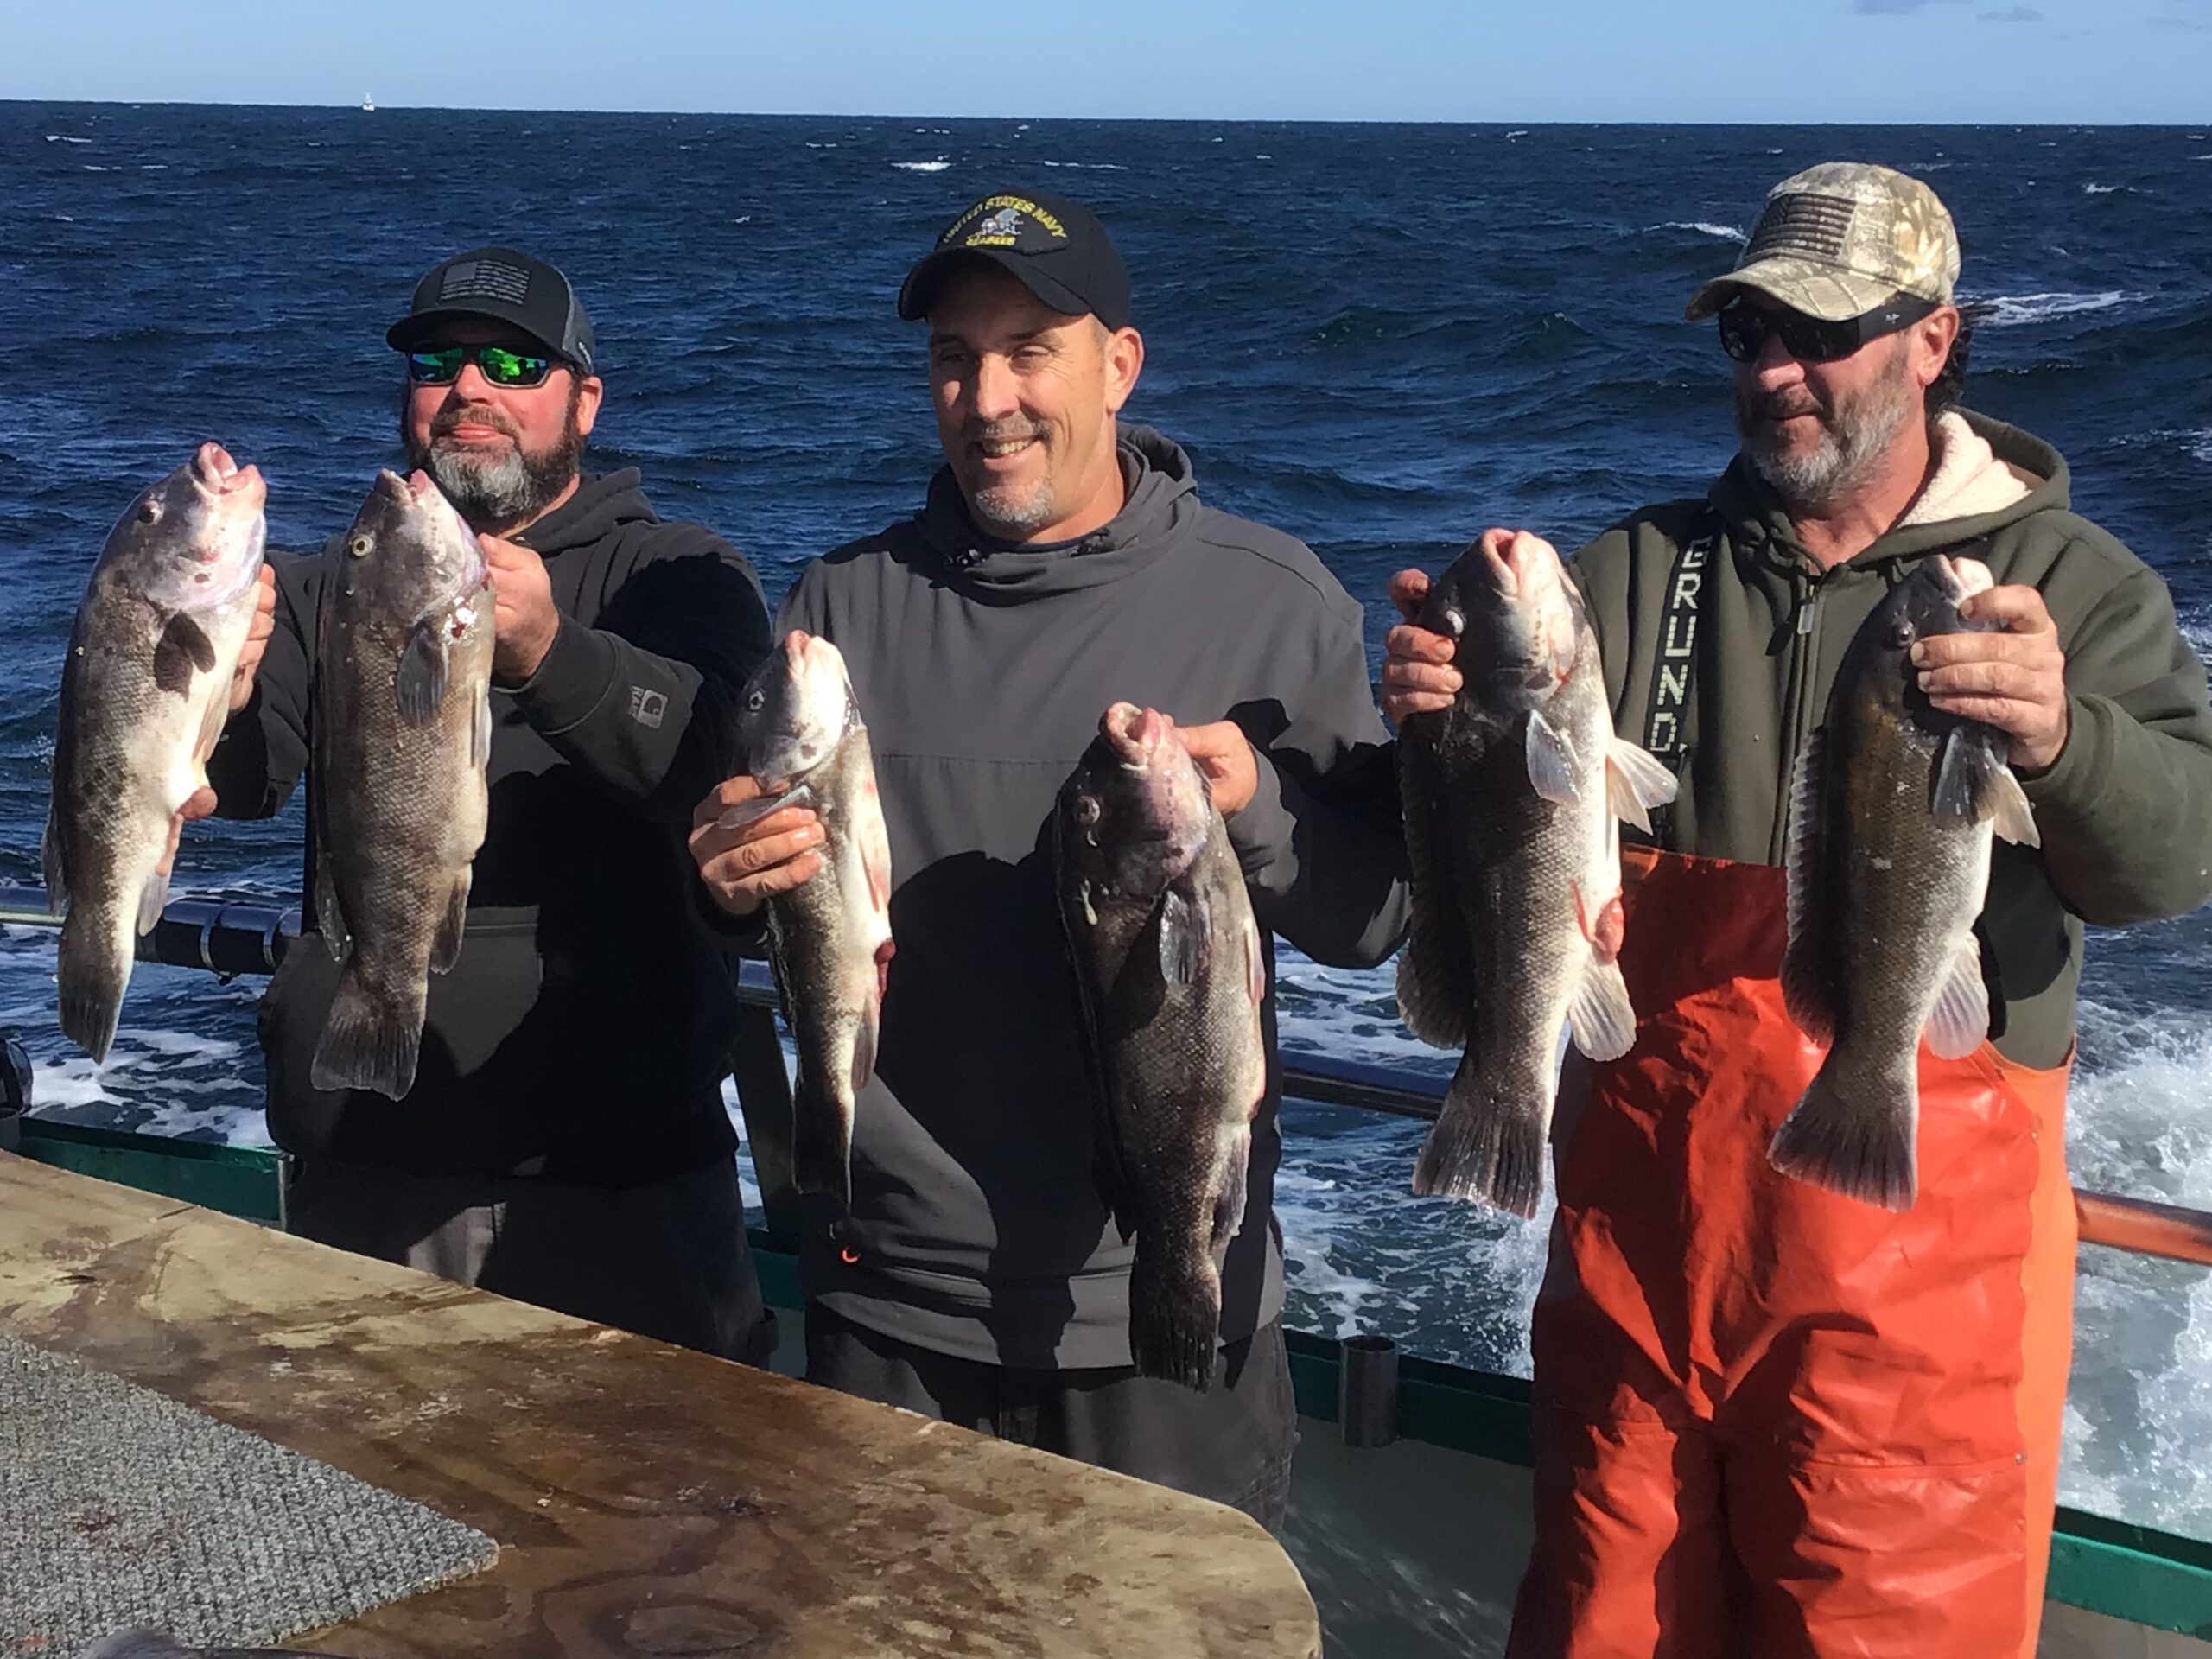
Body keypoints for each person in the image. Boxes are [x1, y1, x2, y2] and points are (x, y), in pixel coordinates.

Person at [1385, 162, 2212, 1657]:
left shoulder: (2068, 585)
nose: (1777, 372)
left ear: (1935, 342)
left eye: (1820, 335)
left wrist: (2065, 737)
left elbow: (2175, 864)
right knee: (1600, 1624)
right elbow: (1499, 821)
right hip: (1637, 1273)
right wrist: (1437, 710)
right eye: (1749, 335)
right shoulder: (1634, 575)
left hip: (1918, 1297)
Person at [690, 189, 1409, 1529]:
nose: (989, 397)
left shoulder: (1277, 599)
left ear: (1120, 366)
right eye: (955, 361)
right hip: (886, 1301)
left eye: (1030, 351)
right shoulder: (840, 607)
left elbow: (1375, 922)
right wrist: (728, 883)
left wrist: (1255, 808)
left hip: (1160, 1309)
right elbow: (792, 911)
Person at [199, 246, 779, 1364]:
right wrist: (205, 692)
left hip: (618, 1193)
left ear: (585, 397)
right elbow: (244, 776)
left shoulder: (680, 572)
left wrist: (552, 654)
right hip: (362, 1169)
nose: (470, 389)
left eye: (513, 361)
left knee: (651, 1531)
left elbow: (720, 768)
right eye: (438, 363)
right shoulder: (340, 577)